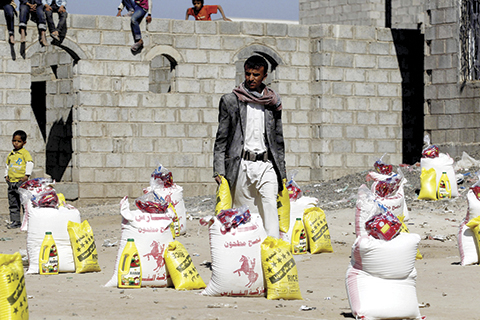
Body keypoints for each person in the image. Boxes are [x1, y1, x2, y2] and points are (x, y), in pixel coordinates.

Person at [213, 55, 286, 238]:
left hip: (266, 163)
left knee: (270, 205)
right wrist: (219, 170)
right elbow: (221, 138)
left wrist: (282, 172)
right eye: (248, 74)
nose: (251, 78)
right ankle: (247, 248)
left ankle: (272, 250)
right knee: (245, 211)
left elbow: (278, 139)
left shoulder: (272, 103)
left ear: (264, 76)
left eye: (256, 74)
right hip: (241, 164)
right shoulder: (231, 100)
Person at [4, 130, 33, 229]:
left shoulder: (25, 153)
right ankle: (15, 221)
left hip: (21, 182)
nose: (16, 143)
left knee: (24, 202)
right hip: (11, 182)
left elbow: (30, 163)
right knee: (13, 203)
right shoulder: (11, 154)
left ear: (24, 143)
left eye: (18, 141)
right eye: (14, 141)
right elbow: (7, 165)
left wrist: (26, 176)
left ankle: (27, 221)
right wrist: (6, 176)